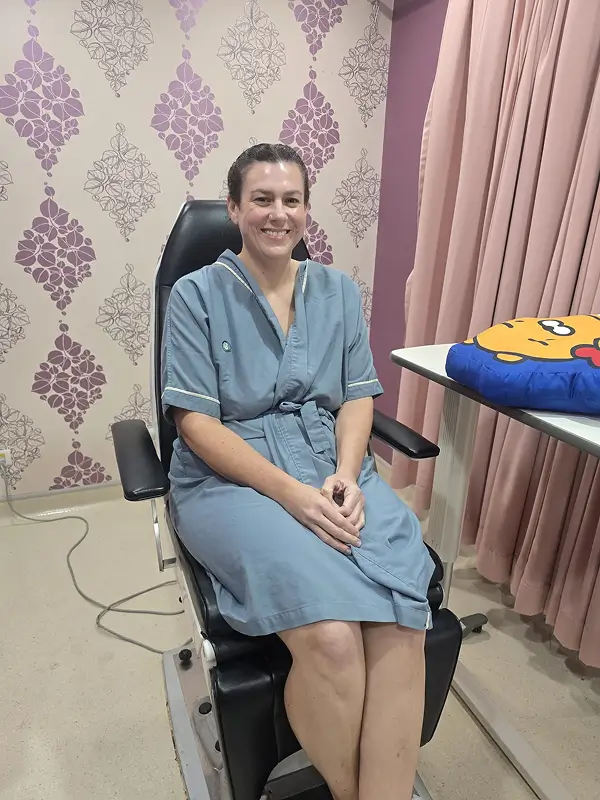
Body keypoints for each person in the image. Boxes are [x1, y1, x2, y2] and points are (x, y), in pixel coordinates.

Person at [161, 143, 435, 800]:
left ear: (306, 210)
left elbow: (358, 395)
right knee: (334, 639)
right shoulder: (196, 296)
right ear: (234, 208)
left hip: (327, 463)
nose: (277, 214)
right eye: (261, 199)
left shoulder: (337, 291)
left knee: (404, 618)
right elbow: (195, 424)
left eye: (291, 200)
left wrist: (344, 473)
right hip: (232, 479)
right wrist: (292, 495)